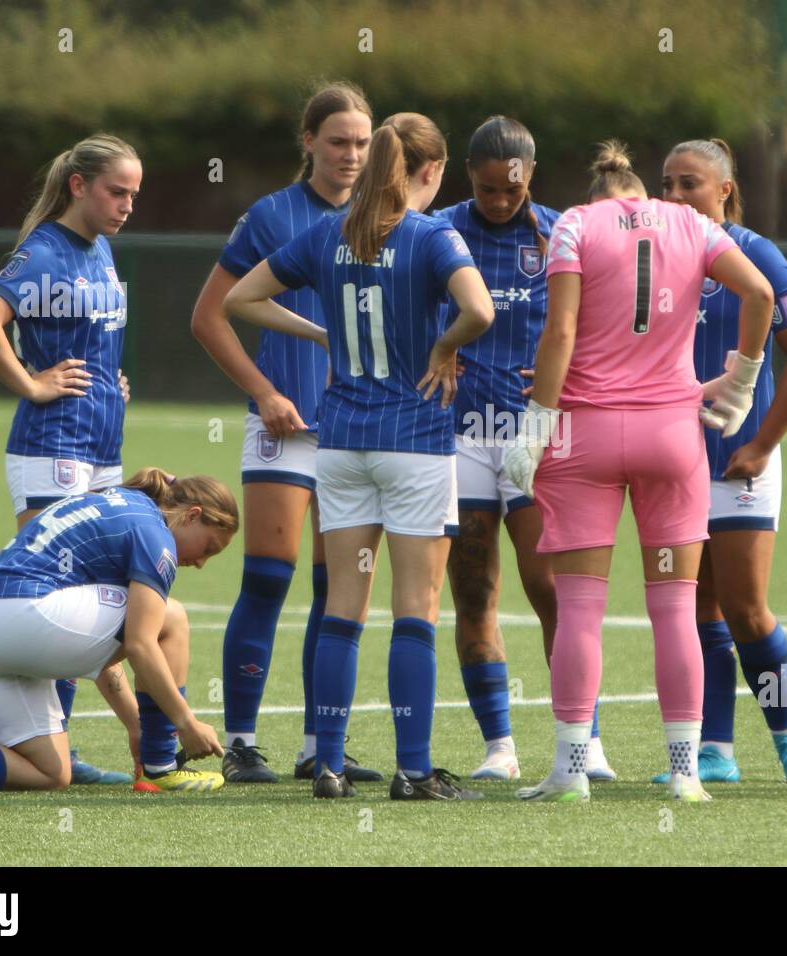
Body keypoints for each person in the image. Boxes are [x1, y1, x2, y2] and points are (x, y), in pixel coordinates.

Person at [224, 112, 495, 800]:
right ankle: (412, 770)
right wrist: (442, 348)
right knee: (414, 607)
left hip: (340, 441)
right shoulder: (433, 235)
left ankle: (332, 766)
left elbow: (240, 298)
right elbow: (481, 311)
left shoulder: (328, 232)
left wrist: (322, 334)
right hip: (415, 443)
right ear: (429, 173)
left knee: (343, 604)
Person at [504, 141, 775, 802]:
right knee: (676, 608)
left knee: (579, 608)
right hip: (670, 435)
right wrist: (741, 380)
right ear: (642, 192)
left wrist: (535, 424)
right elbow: (760, 291)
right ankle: (685, 772)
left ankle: (571, 769)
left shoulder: (574, 223)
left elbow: (560, 332)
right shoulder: (693, 223)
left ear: (600, 194)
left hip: (586, 436)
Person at [191, 82, 383, 785]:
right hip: (285, 428)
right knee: (269, 578)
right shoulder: (272, 215)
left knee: (337, 592)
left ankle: (318, 745)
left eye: (363, 144)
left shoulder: (383, 218)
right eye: (338, 142)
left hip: (357, 428)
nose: (351, 156)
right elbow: (209, 316)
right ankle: (240, 743)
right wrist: (265, 391)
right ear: (308, 143)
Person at [433, 115, 614, 781]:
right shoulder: (443, 229)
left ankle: (584, 742)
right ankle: (499, 749)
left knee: (554, 592)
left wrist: (572, 376)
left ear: (530, 178)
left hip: (541, 434)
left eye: (512, 190)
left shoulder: (566, 232)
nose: (500, 201)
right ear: (468, 180)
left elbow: (594, 321)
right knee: (474, 591)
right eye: (487, 190)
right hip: (459, 435)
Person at [0, 132, 143, 785]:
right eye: (116, 191)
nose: (126, 205)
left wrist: (110, 378)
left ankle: (9, 744)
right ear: (78, 186)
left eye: (133, 194)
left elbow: (95, 341)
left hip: (101, 445)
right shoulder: (43, 251)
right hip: (52, 445)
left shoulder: (102, 250)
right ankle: (15, 746)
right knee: (53, 595)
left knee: (83, 596)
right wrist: (32, 383)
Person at [649, 137, 787, 786]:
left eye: (688, 183)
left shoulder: (756, 255)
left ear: (724, 189)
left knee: (747, 609)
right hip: (671, 462)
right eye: (665, 183)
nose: (673, 196)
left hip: (737, 461)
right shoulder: (657, 256)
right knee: (698, 610)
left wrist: (761, 445)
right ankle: (714, 748)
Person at [0, 469, 237, 796]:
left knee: (51, 774)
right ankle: (161, 767)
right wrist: (185, 723)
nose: (201, 562)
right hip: (27, 615)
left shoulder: (120, 502)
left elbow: (102, 646)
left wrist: (137, 725)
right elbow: (139, 645)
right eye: (208, 547)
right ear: (191, 515)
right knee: (172, 617)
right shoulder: (156, 536)